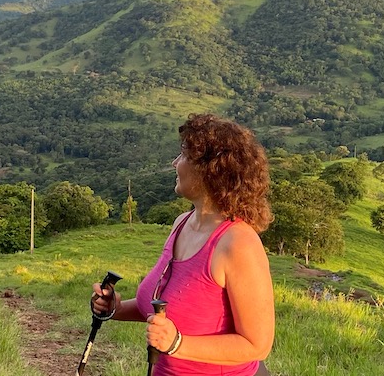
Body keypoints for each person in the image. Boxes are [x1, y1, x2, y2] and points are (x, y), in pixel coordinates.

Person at [91, 113, 274, 375]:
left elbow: (258, 345)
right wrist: (115, 308)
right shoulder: (181, 224)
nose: (175, 162)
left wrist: (177, 343)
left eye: (184, 155)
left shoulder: (238, 244)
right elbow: (169, 308)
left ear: (210, 170)